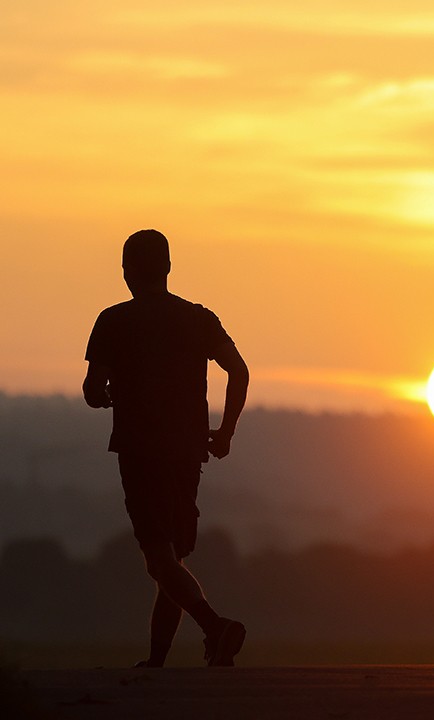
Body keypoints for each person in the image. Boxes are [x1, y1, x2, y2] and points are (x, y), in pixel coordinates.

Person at [82, 229, 250, 668]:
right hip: (188, 453)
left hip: (140, 453)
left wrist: (102, 394)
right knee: (170, 559)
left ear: (127, 271)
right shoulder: (199, 319)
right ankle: (158, 661)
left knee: (159, 559)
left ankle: (215, 627)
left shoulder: (113, 321)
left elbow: (92, 388)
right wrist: (226, 430)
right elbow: (239, 371)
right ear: (169, 267)